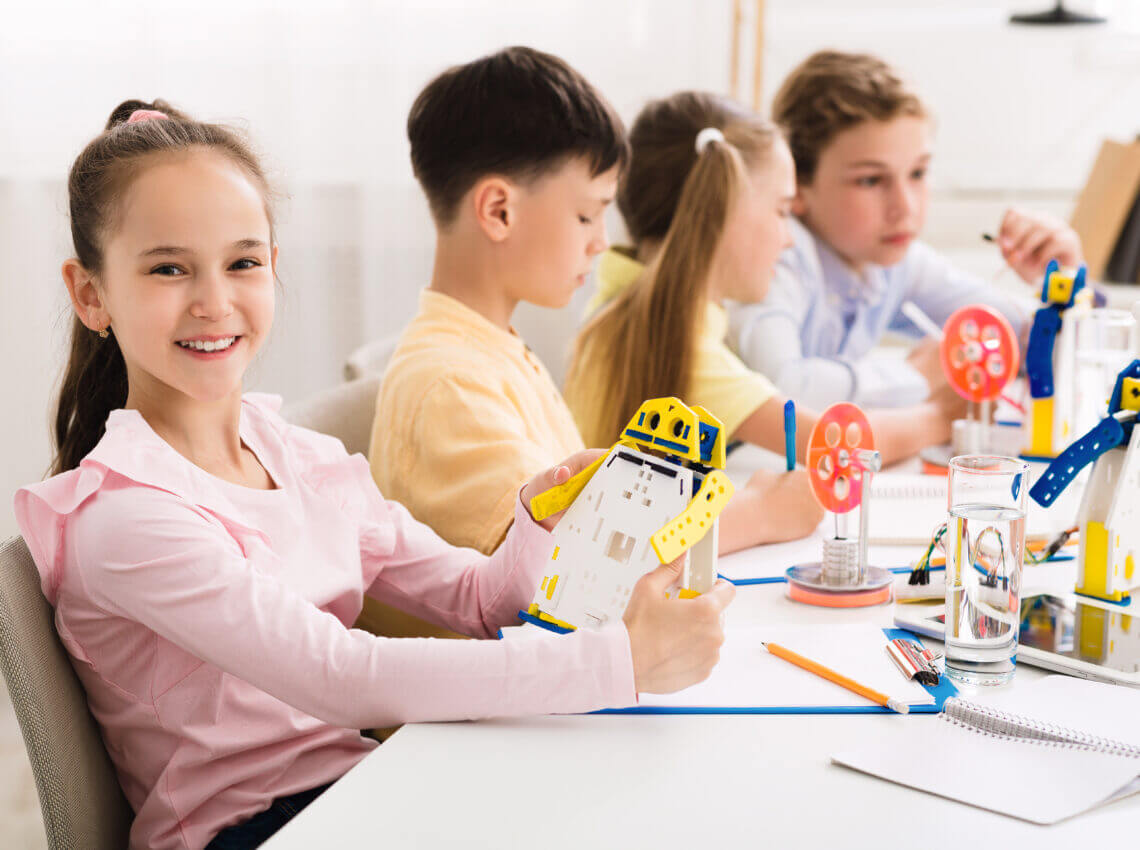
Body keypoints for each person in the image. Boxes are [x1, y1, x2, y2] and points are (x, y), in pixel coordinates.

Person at [13, 99, 733, 850]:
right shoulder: (124, 515)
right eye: (168, 268)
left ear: (272, 268)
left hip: (360, 786)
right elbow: (341, 675)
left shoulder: (296, 456)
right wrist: (614, 662)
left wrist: (546, 518)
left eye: (242, 262)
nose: (214, 301)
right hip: (251, 829)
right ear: (90, 293)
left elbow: (478, 599)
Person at [371, 48, 819, 557]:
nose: (601, 242)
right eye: (587, 215)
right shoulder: (453, 384)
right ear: (498, 211)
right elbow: (570, 562)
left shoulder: (493, 350)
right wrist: (756, 514)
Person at [565, 91, 963, 484]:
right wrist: (941, 415)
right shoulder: (667, 338)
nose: (788, 239)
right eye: (781, 212)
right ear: (722, 211)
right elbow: (838, 451)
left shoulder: (626, 305)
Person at [728, 50, 1084, 410]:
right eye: (870, 180)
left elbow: (1024, 342)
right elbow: (780, 388)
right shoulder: (776, 256)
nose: (906, 207)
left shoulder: (893, 261)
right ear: (796, 183)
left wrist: (1066, 291)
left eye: (917, 173)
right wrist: (918, 374)